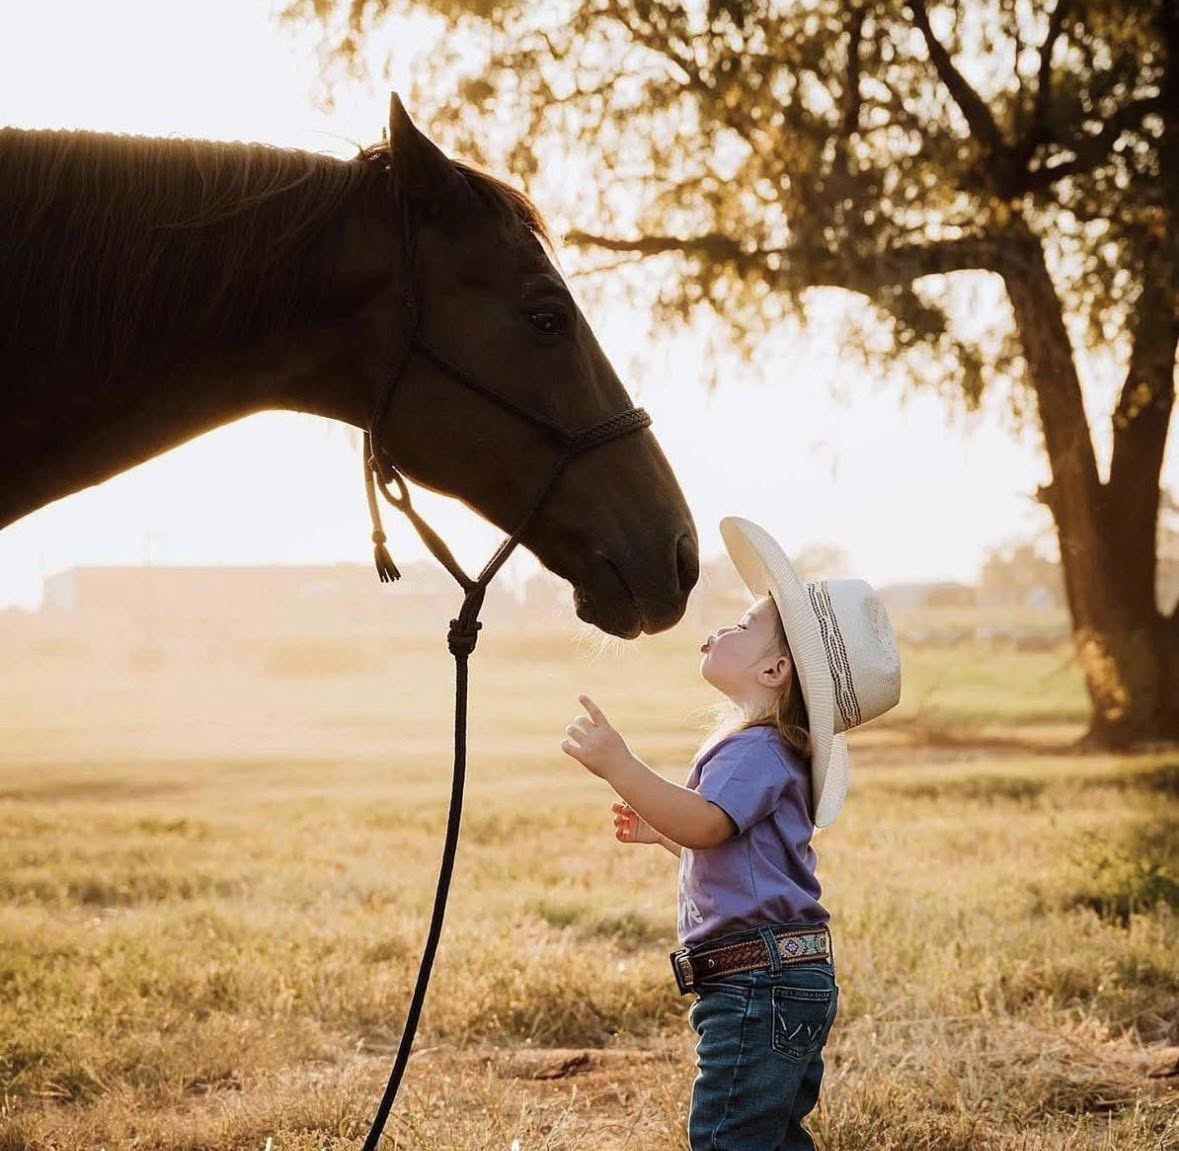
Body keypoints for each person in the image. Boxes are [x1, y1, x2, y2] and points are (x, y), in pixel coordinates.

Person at [560, 516, 902, 1151]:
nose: (722, 629)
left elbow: (709, 823)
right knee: (771, 1137)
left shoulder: (754, 750)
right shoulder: (773, 752)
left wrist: (619, 765)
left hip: (755, 984)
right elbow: (733, 844)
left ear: (775, 671)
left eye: (743, 626)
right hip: (781, 977)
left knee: (729, 1138)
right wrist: (666, 834)